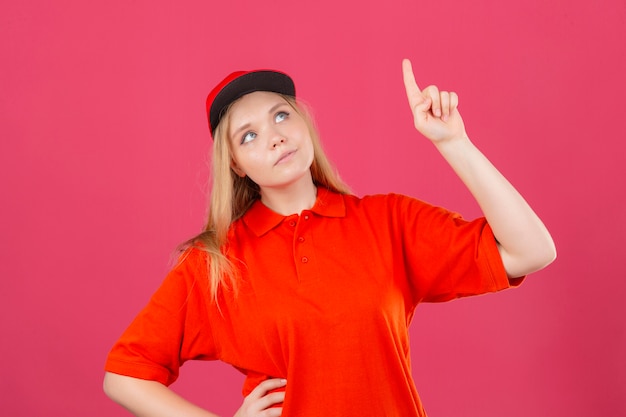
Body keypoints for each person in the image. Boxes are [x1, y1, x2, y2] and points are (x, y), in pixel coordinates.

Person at [103, 59, 556, 417]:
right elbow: (123, 376)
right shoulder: (218, 261)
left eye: (282, 115)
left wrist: (453, 142)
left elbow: (531, 251)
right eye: (250, 135)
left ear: (304, 125)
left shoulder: (386, 220)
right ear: (236, 165)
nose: (275, 137)